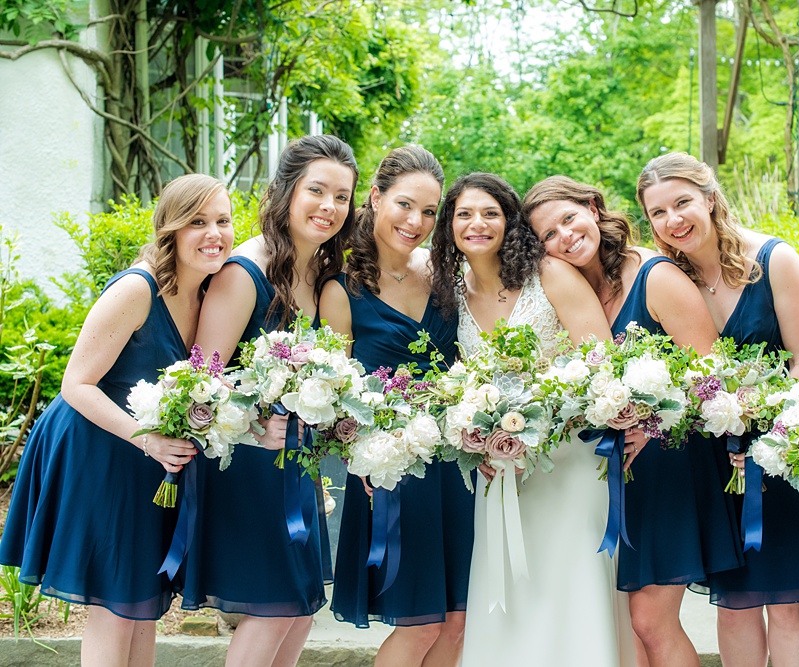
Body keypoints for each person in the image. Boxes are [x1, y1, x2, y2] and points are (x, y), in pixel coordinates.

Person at [0, 174, 232, 667]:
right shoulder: (137, 288)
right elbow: (75, 383)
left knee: (142, 603)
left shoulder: (210, 293)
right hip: (96, 447)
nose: (214, 233)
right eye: (197, 222)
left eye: (223, 221)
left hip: (148, 456)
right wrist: (149, 442)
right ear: (169, 229)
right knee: (114, 605)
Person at [524, 175, 741, 667]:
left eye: (568, 218)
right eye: (548, 235)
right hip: (623, 473)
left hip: (673, 464)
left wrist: (652, 419)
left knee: (650, 620)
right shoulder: (575, 289)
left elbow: (711, 373)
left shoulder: (656, 275)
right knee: (629, 624)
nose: (565, 236)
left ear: (593, 208)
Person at [429, 172, 634, 665]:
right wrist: (478, 433)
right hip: (499, 469)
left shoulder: (549, 275)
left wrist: (536, 422)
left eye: (491, 213)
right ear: (450, 226)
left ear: (509, 222)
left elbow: (600, 362)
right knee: (509, 592)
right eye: (464, 214)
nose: (477, 224)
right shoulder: (451, 291)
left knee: (570, 582)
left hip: (570, 461)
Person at [635, 152, 799, 667]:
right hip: (713, 462)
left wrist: (773, 438)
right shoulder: (669, 279)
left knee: (786, 603)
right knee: (734, 604)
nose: (673, 220)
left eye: (682, 203)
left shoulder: (775, 260)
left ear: (710, 197)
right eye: (658, 213)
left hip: (781, 455)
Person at [180, 135, 358, 667]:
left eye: (342, 197)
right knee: (277, 608)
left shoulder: (320, 275)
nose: (330, 206)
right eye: (317, 190)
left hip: (293, 466)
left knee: (300, 609)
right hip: (248, 467)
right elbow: (200, 379)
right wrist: (256, 426)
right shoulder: (243, 272)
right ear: (286, 191)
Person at [320, 145, 473, 667]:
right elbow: (336, 390)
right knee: (421, 625)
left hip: (457, 462)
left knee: (457, 623)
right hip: (393, 468)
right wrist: (359, 449)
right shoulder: (341, 290)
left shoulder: (445, 275)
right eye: (406, 205)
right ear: (376, 197)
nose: (417, 222)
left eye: (430, 212)